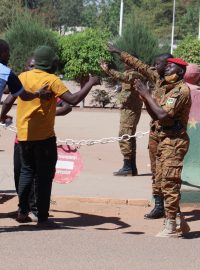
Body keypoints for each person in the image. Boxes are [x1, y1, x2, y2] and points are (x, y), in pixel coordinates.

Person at [0, 45, 100, 226]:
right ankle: (42, 216)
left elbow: (8, 100)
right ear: (50, 63)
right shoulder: (52, 80)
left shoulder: (23, 76)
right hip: (44, 138)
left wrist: (1, 116)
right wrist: (90, 83)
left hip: (23, 136)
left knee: (26, 172)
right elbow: (73, 100)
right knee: (44, 177)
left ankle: (23, 211)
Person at [107, 44, 191, 237]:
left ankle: (172, 223)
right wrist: (120, 52)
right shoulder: (164, 83)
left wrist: (146, 94)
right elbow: (139, 66)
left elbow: (162, 113)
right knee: (159, 175)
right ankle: (169, 213)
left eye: (164, 65)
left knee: (169, 179)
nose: (157, 67)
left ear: (178, 71)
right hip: (159, 134)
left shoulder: (179, 90)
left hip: (172, 137)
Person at [1, 55, 72, 221]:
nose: (33, 69)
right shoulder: (22, 80)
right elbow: (9, 98)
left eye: (35, 65)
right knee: (23, 175)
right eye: (30, 66)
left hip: (36, 137)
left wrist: (49, 113)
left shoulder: (47, 82)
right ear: (26, 67)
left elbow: (67, 105)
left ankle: (34, 211)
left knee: (36, 176)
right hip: (24, 138)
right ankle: (25, 210)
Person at [100, 60, 144, 176]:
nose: (124, 63)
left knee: (125, 135)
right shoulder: (131, 73)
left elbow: (123, 77)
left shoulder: (135, 74)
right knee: (130, 136)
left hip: (131, 110)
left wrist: (108, 70)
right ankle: (131, 167)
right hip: (128, 109)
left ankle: (127, 167)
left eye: (127, 61)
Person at [0, 39, 52, 115]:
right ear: (2, 53)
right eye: (7, 51)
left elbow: (6, 92)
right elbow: (24, 96)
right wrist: (38, 93)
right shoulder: (7, 73)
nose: (9, 55)